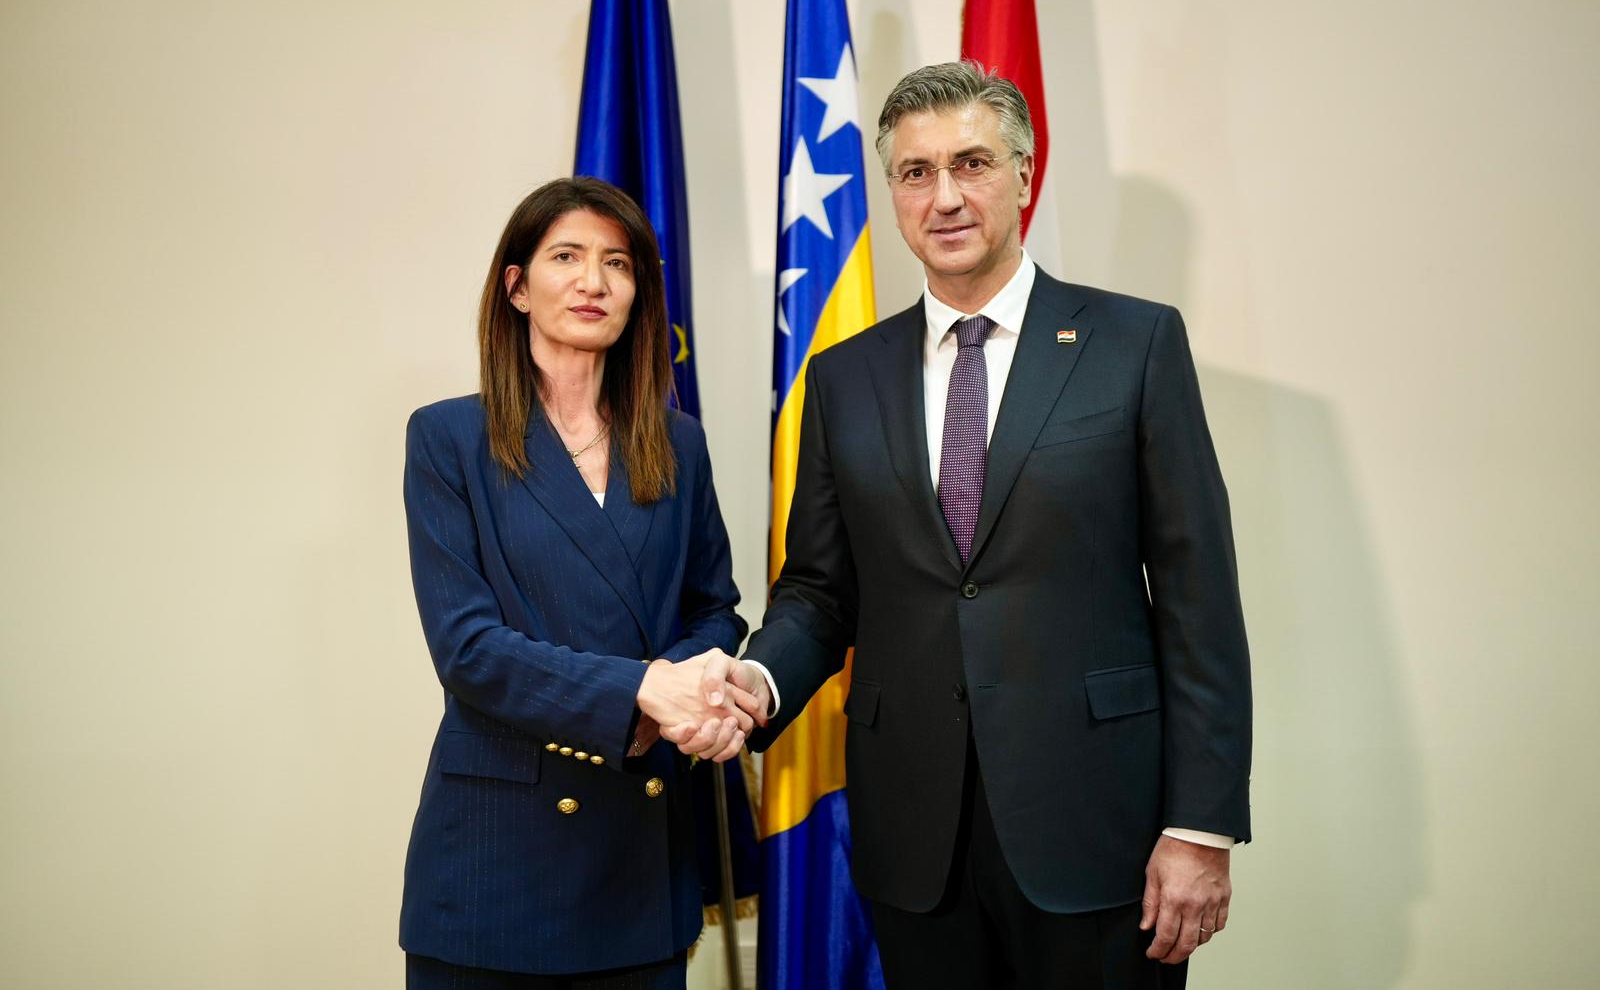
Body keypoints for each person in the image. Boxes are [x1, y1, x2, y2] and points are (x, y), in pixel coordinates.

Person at [688, 62, 1253, 988]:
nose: (944, 197)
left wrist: (1201, 825)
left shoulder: (1135, 345)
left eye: (972, 164)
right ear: (893, 193)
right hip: (917, 839)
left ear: (1024, 174)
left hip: (1100, 829)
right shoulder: (843, 378)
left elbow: (1200, 600)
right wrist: (756, 680)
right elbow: (821, 592)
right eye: (916, 172)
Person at [399, 176, 757, 989]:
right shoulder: (448, 437)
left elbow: (714, 611)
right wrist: (642, 691)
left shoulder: (678, 442)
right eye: (566, 257)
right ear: (517, 287)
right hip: (497, 861)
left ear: (638, 294)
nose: (594, 281)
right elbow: (467, 649)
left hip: (637, 851)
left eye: (617, 263)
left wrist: (688, 690)